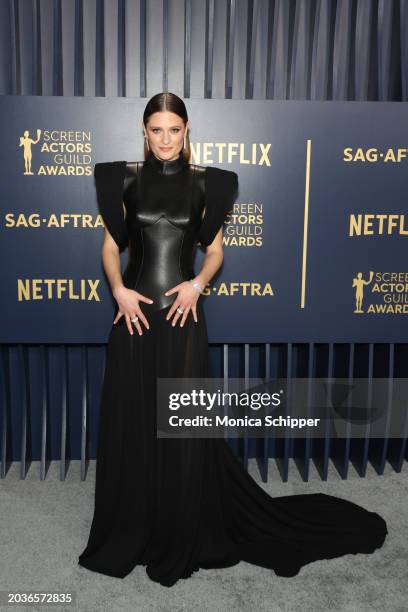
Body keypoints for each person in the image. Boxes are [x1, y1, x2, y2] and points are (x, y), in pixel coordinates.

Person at [78, 92, 388, 588]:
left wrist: (198, 285)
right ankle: (133, 525)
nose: (164, 140)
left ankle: (179, 527)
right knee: (133, 419)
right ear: (143, 130)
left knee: (179, 424)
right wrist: (119, 291)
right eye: (155, 130)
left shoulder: (209, 184)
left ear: (187, 129)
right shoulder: (123, 179)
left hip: (182, 318)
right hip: (134, 318)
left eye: (173, 130)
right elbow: (111, 245)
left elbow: (215, 251)